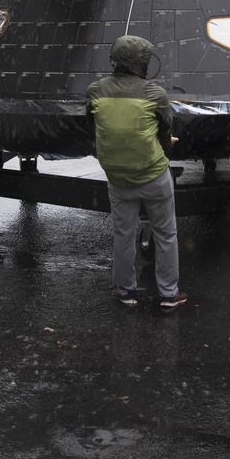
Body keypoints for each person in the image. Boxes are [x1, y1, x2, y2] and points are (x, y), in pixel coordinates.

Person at [86, 35, 186, 310]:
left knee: (123, 235)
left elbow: (91, 128)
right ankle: (169, 294)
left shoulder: (95, 91)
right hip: (153, 175)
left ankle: (125, 291)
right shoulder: (155, 94)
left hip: (117, 178)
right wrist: (168, 144)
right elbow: (165, 131)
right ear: (141, 63)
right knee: (166, 234)